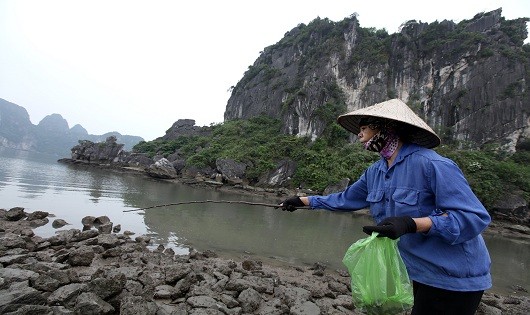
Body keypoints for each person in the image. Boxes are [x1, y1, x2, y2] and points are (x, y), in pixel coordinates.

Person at [280, 99, 491, 315]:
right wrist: (303, 201)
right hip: (418, 271)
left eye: (364, 128)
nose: (359, 135)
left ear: (385, 128)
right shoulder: (376, 171)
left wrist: (410, 224)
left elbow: (474, 217)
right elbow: (346, 199)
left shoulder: (432, 165)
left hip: (455, 276)